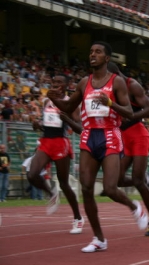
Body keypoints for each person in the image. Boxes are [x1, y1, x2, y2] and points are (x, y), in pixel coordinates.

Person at [47, 41, 148, 253]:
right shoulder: (84, 82)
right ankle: (99, 238)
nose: (93, 54)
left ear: (107, 58)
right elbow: (68, 106)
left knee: (111, 188)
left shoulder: (117, 82)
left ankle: (135, 207)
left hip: (110, 134)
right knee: (86, 188)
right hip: (89, 136)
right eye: (91, 51)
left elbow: (129, 113)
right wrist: (55, 99)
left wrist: (109, 104)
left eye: (98, 52)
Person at [107, 62, 149, 237]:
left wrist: (129, 118)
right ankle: (147, 179)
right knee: (118, 181)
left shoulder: (132, 85)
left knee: (137, 181)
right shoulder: (111, 91)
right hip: (124, 138)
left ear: (114, 74)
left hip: (138, 136)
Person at [29, 74, 84, 235]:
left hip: (61, 142)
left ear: (66, 86)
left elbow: (79, 128)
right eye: (54, 82)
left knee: (64, 183)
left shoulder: (71, 103)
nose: (56, 85)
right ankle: (51, 193)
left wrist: (66, 119)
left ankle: (78, 218)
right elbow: (44, 123)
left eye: (60, 82)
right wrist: (37, 124)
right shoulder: (47, 101)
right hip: (46, 141)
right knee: (32, 174)